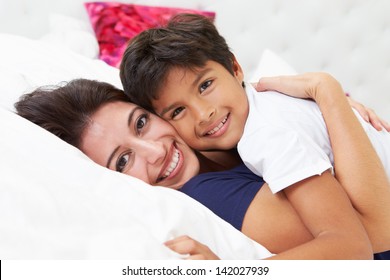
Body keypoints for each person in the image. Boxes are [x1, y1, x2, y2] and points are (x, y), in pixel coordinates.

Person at [15, 77, 388, 259]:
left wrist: (329, 116)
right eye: (123, 160)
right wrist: (329, 93)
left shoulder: (230, 136)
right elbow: (370, 239)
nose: (155, 152)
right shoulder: (206, 193)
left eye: (141, 123)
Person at [119, 14, 390, 257]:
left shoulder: (265, 136)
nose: (203, 114)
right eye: (178, 111)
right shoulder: (267, 101)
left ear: (236, 69)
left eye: (205, 85)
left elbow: (361, 245)